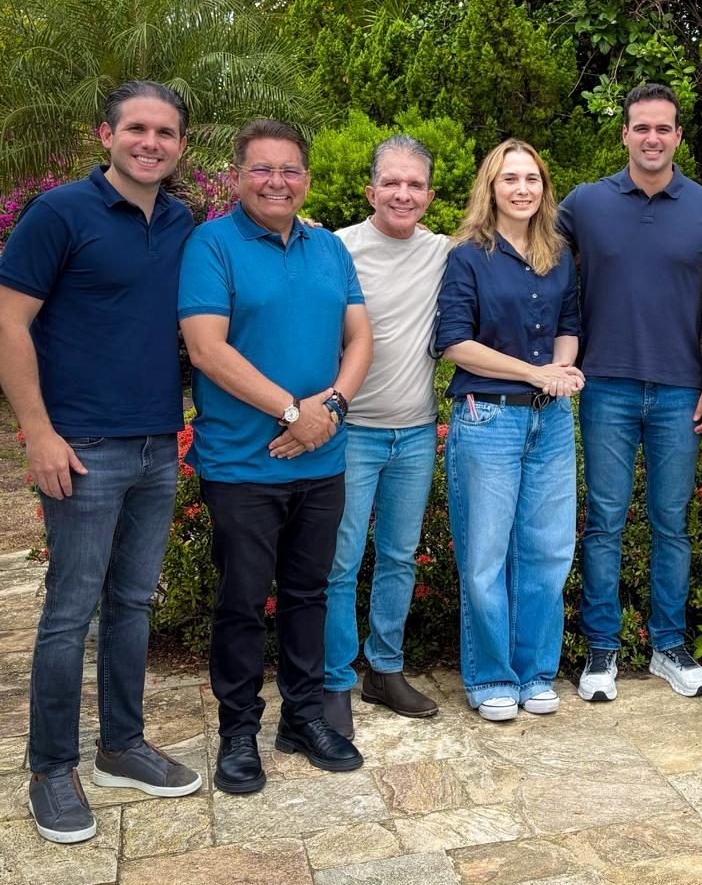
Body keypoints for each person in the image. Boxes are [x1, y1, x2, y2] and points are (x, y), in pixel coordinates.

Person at [0, 80, 203, 844]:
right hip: (81, 447)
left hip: (157, 441)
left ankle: (121, 746)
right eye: (136, 129)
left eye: (165, 132)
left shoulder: (182, 222)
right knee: (69, 610)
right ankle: (51, 768)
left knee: (133, 602)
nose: (150, 142)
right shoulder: (59, 213)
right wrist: (38, 431)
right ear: (105, 135)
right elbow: (9, 322)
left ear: (181, 145)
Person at [179, 119, 373, 793]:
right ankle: (237, 731)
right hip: (242, 464)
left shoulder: (329, 248)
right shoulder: (212, 244)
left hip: (321, 461)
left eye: (289, 170)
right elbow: (207, 349)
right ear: (237, 176)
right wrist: (295, 412)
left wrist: (332, 409)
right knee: (241, 600)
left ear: (306, 179)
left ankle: (302, 717)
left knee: (307, 594)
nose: (276, 182)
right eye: (261, 169)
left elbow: (360, 339)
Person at [560, 83, 702, 702]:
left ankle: (668, 645)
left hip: (681, 389)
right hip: (605, 384)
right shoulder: (586, 204)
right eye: (642, 127)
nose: (652, 138)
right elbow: (521, 243)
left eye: (663, 128)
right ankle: (602, 649)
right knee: (605, 522)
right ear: (625, 134)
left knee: (671, 523)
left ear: (678, 136)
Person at [434, 139, 582, 722]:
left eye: (532, 179)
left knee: (547, 552)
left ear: (544, 187)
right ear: (490, 188)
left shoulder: (558, 254)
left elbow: (569, 323)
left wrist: (562, 370)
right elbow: (454, 343)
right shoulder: (468, 256)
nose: (522, 189)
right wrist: (534, 373)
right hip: (488, 417)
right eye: (510, 179)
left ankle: (536, 672)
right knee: (486, 555)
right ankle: (491, 676)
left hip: (551, 419)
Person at [321, 135, 450, 738]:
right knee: (341, 562)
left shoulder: (444, 253)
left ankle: (385, 669)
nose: (403, 193)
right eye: (391, 183)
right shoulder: (336, 247)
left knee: (399, 556)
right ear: (371, 190)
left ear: (429, 196)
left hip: (416, 432)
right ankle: (335, 680)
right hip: (350, 432)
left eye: (415, 184)